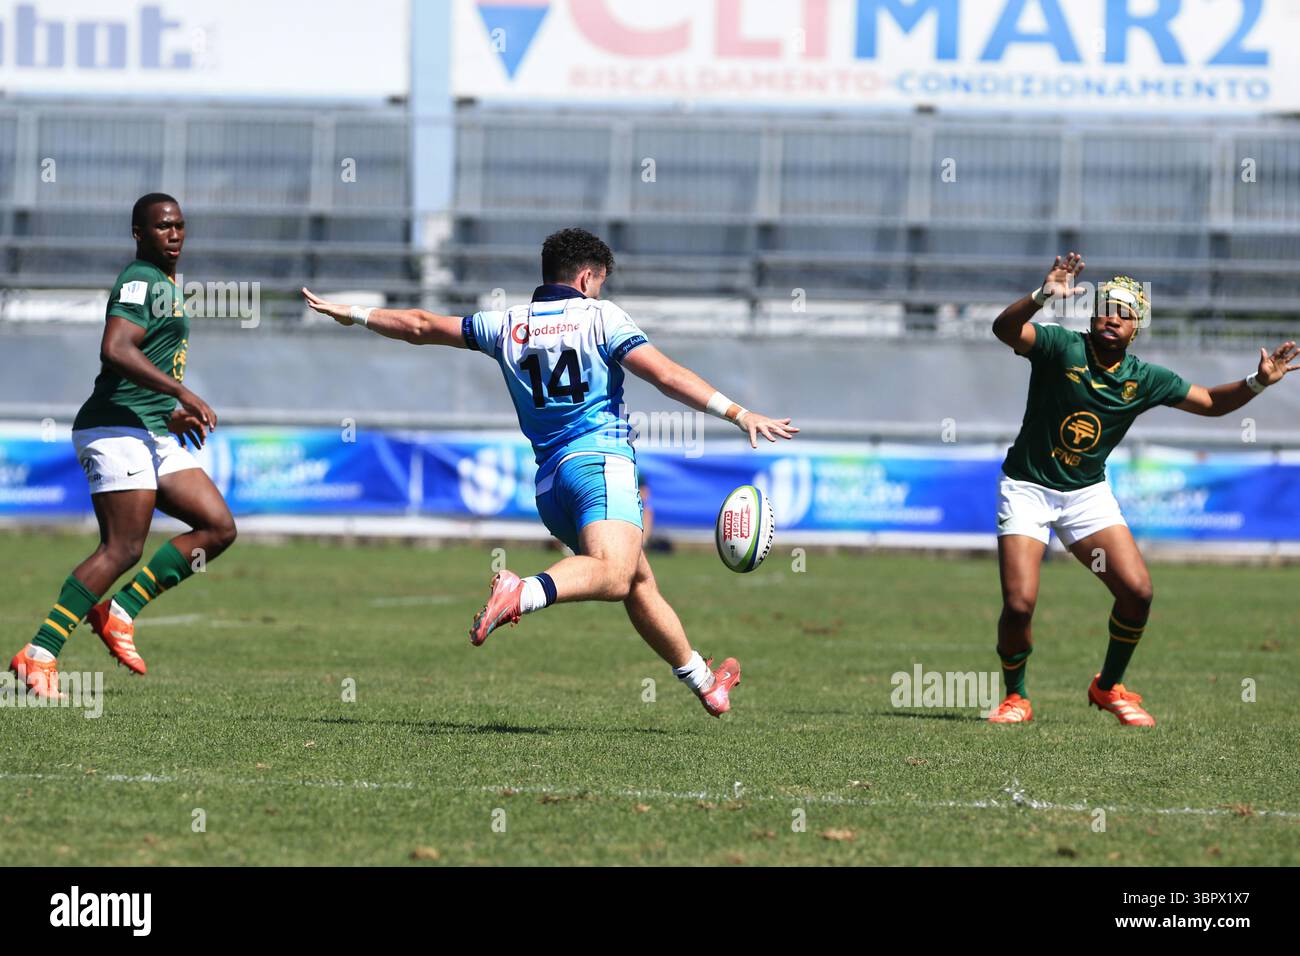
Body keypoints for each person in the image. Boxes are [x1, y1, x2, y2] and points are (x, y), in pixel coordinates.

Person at [304, 227, 797, 716]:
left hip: (551, 487)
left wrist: (354, 314)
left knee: (637, 581)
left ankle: (706, 683)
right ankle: (523, 591)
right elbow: (666, 376)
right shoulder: (601, 317)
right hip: (598, 465)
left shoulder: (507, 324)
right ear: (586, 278)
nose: (600, 291)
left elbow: (418, 325)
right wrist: (739, 413)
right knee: (615, 573)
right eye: (600, 282)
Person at [987, 252, 1297, 725]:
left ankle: (1108, 687)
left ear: (1137, 328)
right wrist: (1041, 295)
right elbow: (1005, 331)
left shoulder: (1144, 379)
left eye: (1126, 313)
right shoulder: (1059, 347)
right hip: (1028, 488)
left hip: (1085, 495)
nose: (1114, 318)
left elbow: (1211, 402)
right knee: (1019, 603)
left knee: (1137, 592)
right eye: (1106, 309)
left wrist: (1257, 382)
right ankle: (1017, 696)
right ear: (1092, 318)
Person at [10, 194, 236, 699]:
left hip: (151, 428)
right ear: (139, 233)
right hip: (114, 429)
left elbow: (143, 359)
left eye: (179, 226)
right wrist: (180, 391)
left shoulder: (168, 284)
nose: (174, 234)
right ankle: (38, 654)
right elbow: (114, 349)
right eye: (162, 227)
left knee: (218, 527)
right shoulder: (140, 281)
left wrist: (168, 410)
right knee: (123, 547)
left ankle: (119, 611)